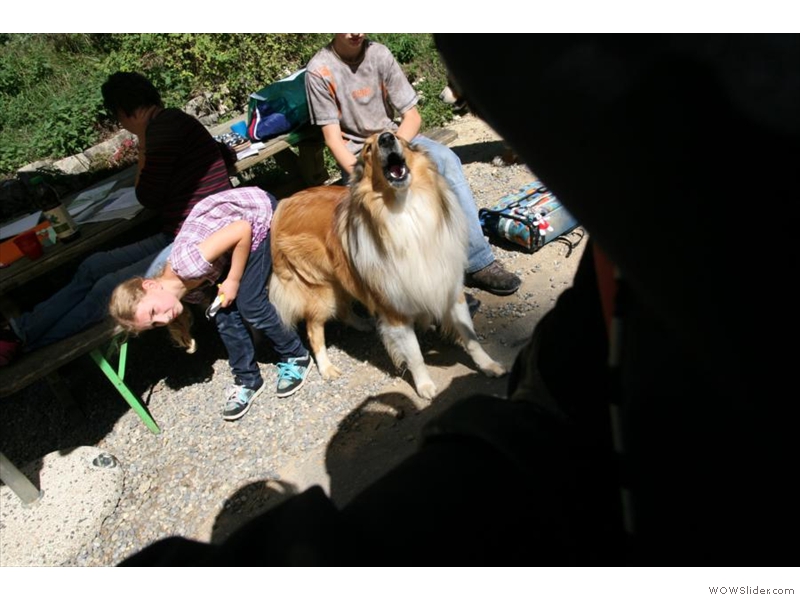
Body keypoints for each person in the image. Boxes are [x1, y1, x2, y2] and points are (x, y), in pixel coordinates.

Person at [117, 34, 794, 566]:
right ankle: (354, 336)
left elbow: (410, 112)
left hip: (396, 147)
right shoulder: (323, 71)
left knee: (441, 163)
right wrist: (365, 158)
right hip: (355, 167)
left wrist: (402, 140)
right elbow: (328, 137)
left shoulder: (380, 56)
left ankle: (475, 257)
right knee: (354, 279)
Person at [0, 72, 233, 366]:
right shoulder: (172, 120)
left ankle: (27, 342)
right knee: (92, 266)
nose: (121, 126)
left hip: (201, 236)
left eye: (119, 119)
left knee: (106, 288)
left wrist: (143, 143)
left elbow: (147, 195)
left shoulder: (160, 131)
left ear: (124, 112)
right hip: (180, 229)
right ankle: (21, 331)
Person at [304, 33, 521, 297]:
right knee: (381, 205)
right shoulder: (319, 71)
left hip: (397, 139)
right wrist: (367, 170)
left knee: (446, 160)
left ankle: (478, 262)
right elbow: (333, 140)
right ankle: (426, 288)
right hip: (360, 155)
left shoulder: (379, 54)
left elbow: (412, 117)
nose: (355, 32)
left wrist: (395, 151)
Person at [109, 186, 311, 421]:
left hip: (257, 212)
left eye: (154, 311)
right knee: (223, 316)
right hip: (234, 231)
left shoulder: (188, 265)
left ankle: (295, 354)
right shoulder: (187, 293)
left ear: (150, 286)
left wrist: (233, 280)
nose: (164, 319)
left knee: (250, 303)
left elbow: (242, 229)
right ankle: (247, 379)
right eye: (155, 324)